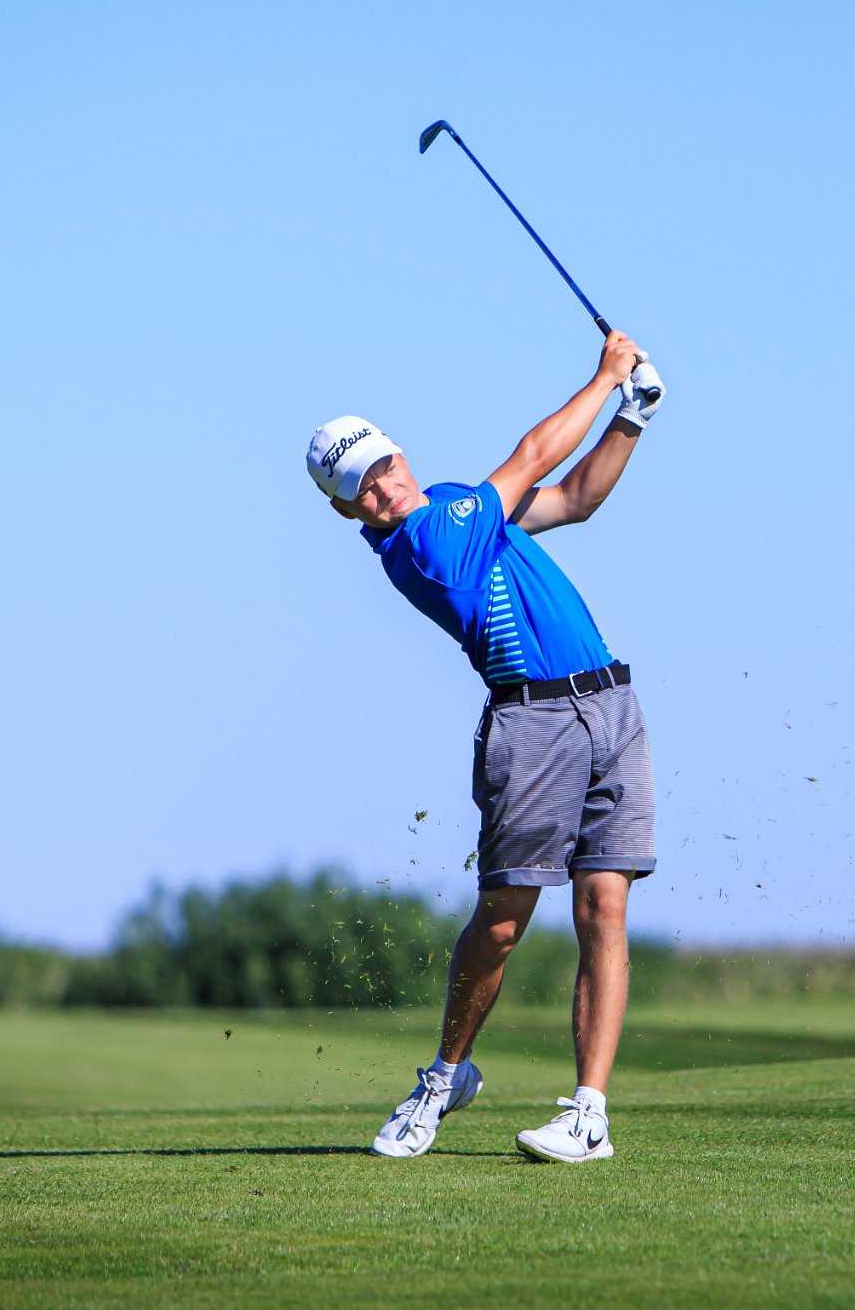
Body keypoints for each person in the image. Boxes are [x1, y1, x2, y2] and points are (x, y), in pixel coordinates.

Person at [305, 331, 662, 1164]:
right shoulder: (424, 544)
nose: (385, 485)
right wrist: (606, 376)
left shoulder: (464, 504)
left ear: (400, 454)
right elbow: (534, 451)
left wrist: (632, 418)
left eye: (384, 464)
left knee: (604, 906)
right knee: (502, 925)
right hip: (530, 725)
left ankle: (588, 1112)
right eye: (364, 485)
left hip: (611, 702)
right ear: (346, 509)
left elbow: (573, 496)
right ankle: (444, 1077)